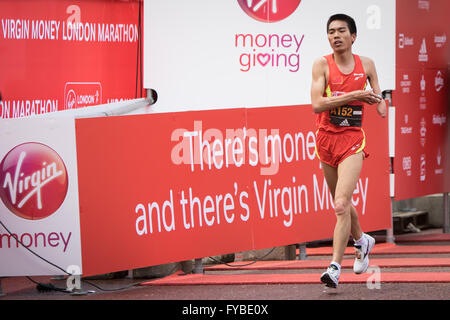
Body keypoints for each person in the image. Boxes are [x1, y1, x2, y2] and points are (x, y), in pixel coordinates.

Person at [310, 13, 387, 288]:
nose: (336, 36)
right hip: (326, 142)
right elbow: (317, 105)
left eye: (342, 31)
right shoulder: (321, 65)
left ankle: (333, 267)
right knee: (342, 203)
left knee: (341, 204)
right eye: (331, 32)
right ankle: (363, 240)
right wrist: (356, 95)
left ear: (353, 36)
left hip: (352, 141)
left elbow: (378, 95)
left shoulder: (366, 64)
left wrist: (380, 104)